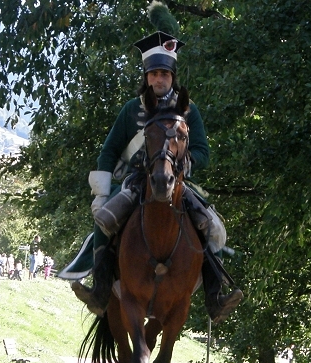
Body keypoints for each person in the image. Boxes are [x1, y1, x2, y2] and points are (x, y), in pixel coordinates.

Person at [64, 4, 243, 324]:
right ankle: (101, 289)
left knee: (208, 224)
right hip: (135, 182)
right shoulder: (131, 109)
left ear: (171, 76)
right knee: (105, 220)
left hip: (177, 182)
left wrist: (185, 163)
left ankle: (214, 297)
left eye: (164, 74)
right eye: (153, 74)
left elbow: (203, 151)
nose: (159, 79)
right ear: (146, 77)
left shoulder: (190, 111)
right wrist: (102, 194)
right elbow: (109, 151)